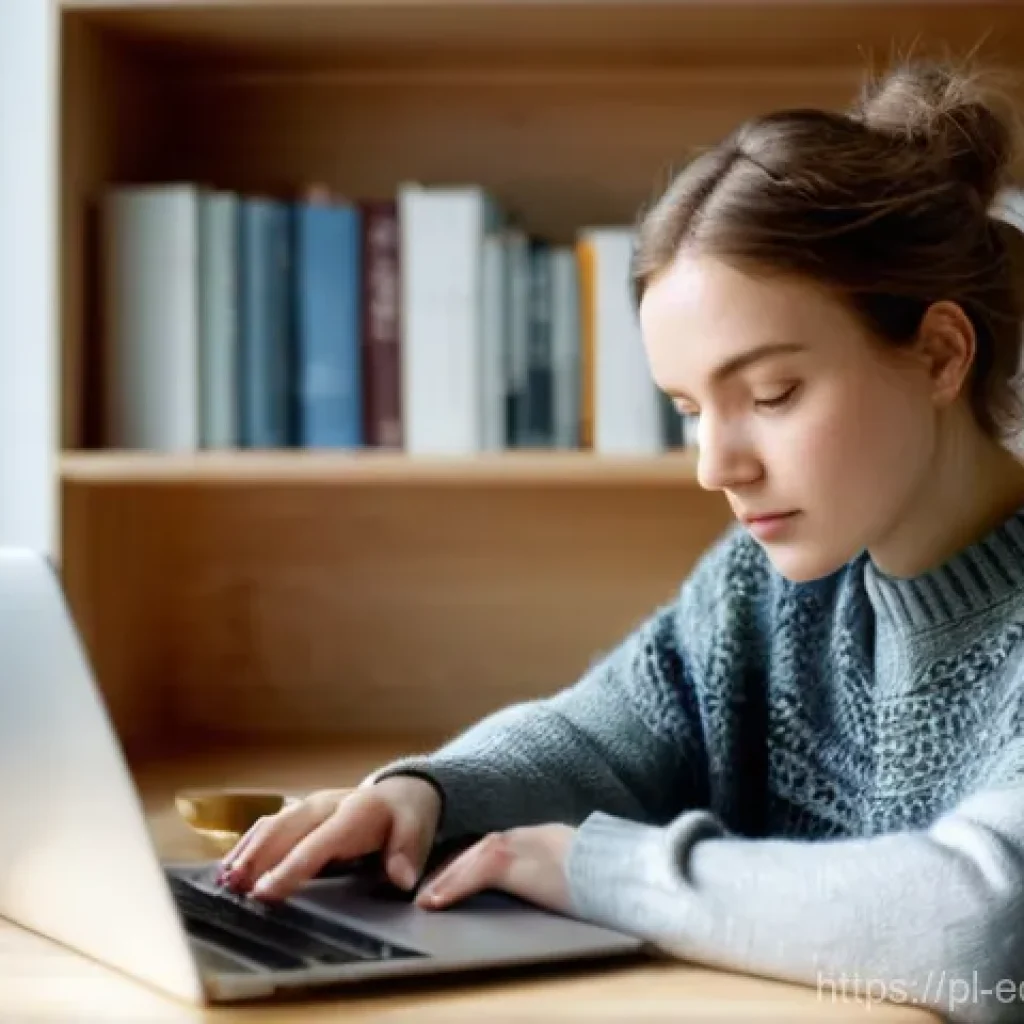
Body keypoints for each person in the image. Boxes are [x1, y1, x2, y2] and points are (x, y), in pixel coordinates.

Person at [219, 59, 1024, 1023]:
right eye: (689, 409)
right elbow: (603, 732)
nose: (715, 465)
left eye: (771, 395)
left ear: (939, 353)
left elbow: (979, 930)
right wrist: (429, 795)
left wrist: (606, 873)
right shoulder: (760, 588)